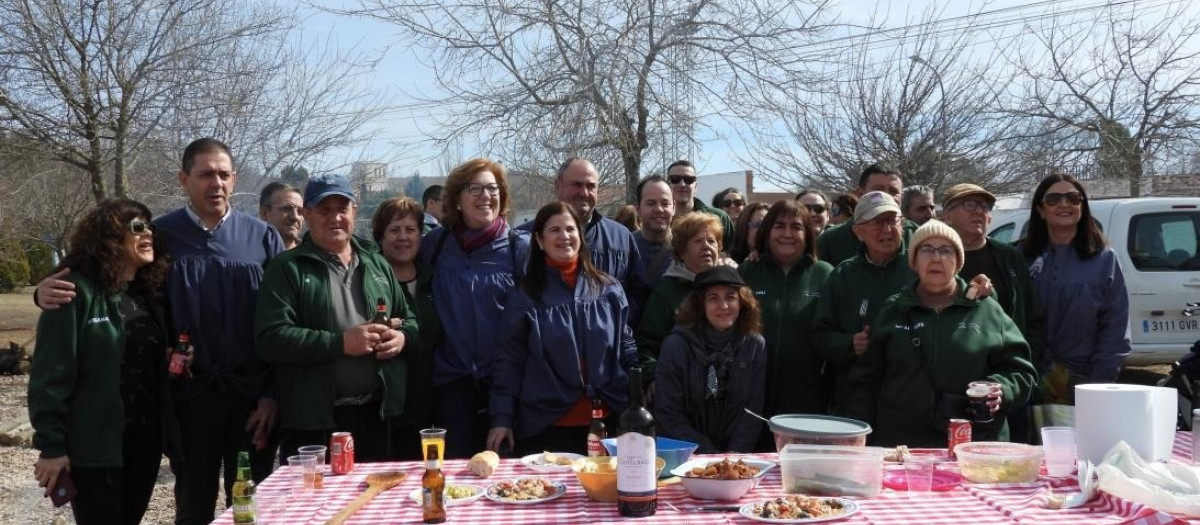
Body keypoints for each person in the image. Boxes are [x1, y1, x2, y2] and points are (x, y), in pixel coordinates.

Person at [37, 138, 284, 524]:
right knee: (193, 505)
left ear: (235, 179)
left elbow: (281, 320)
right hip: (187, 399)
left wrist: (270, 394)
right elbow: (107, 275)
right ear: (184, 179)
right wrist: (43, 291)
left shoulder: (262, 237)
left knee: (250, 505)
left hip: (250, 398)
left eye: (223, 174)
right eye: (205, 174)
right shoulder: (162, 234)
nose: (216, 183)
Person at [29, 198, 177, 525]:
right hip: (95, 445)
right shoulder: (73, 292)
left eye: (150, 227)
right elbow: (50, 375)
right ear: (110, 236)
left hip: (145, 440)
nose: (148, 233)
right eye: (137, 227)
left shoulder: (147, 295)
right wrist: (52, 446)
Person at [255, 174, 418, 462]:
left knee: (376, 491)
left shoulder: (376, 262)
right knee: (316, 493)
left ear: (354, 211)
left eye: (342, 209)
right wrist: (340, 343)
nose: (335, 218)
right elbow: (271, 338)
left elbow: (410, 321)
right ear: (306, 214)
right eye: (324, 210)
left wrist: (401, 338)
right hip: (314, 422)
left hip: (376, 417)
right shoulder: (287, 268)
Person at [842, 220, 1037, 447]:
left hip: (973, 446)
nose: (936, 258)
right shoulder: (893, 310)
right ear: (914, 261)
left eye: (945, 250)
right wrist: (860, 440)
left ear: (958, 261)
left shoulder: (986, 310)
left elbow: (1021, 371)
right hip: (901, 447)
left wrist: (1002, 389)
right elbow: (865, 380)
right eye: (927, 249)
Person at [487, 202, 638, 455]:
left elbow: (626, 348)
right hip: (547, 427)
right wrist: (502, 418)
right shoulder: (525, 298)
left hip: (607, 421)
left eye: (570, 229)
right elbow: (509, 362)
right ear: (539, 240)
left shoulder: (609, 290)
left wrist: (636, 401)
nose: (564, 236)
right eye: (554, 230)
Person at [421, 158, 532, 458]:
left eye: (493, 189)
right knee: (455, 473)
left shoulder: (519, 248)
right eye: (475, 189)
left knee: (506, 473)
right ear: (457, 198)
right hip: (452, 385)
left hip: (507, 383)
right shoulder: (436, 245)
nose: (486, 196)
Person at [941, 183, 1045, 443]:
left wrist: (1024, 366)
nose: (979, 211)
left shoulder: (1010, 258)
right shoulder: (935, 259)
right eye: (970, 205)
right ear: (947, 215)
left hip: (1004, 384)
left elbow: (1032, 318)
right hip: (951, 384)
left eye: (985, 206)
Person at [1022, 173, 1130, 404]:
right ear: (1040, 210)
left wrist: (1099, 383)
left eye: (1073, 198)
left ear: (1082, 207)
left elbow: (1115, 325)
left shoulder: (1105, 259)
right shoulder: (1021, 258)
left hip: (1083, 380)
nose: (1064, 204)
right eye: (1053, 199)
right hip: (1027, 380)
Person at [812, 192, 915, 410]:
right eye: (877, 222)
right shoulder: (843, 275)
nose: (887, 230)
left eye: (892, 220)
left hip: (909, 394)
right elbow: (821, 335)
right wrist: (850, 344)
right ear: (858, 232)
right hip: (856, 395)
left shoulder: (919, 267)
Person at [739, 200, 834, 421]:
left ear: (807, 234)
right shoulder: (747, 272)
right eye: (779, 226)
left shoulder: (825, 274)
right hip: (751, 401)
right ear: (767, 231)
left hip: (809, 403)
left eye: (796, 227)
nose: (787, 234)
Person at [655, 266, 766, 453]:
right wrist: (709, 455)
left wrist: (734, 454)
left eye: (730, 297)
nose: (723, 306)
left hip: (735, 457)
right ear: (701, 304)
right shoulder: (676, 345)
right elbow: (669, 413)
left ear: (742, 302)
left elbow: (752, 411)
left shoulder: (754, 345)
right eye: (713, 298)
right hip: (688, 453)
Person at [521, 158, 645, 311]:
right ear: (558, 186)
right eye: (577, 185)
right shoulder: (525, 238)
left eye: (591, 186)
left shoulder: (621, 237)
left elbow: (638, 294)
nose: (584, 193)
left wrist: (615, 322)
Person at [371, 197, 442, 459]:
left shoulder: (434, 277)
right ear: (380, 236)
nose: (403, 237)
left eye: (410, 229)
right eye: (394, 230)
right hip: (385, 409)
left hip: (432, 402)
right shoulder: (369, 278)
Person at [636, 213, 731, 382]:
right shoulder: (666, 290)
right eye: (698, 241)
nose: (706, 246)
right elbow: (647, 345)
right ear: (682, 250)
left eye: (711, 241)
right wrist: (653, 378)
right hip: (681, 384)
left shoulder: (732, 285)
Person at [816, 163, 916, 266]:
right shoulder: (830, 240)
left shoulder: (918, 236)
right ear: (860, 193)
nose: (885, 195)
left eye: (893, 191)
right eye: (878, 190)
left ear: (902, 197)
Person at [667, 160, 735, 250]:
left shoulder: (719, 217)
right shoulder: (658, 219)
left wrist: (725, 254)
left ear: (695, 186)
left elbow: (735, 251)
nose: (682, 184)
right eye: (675, 179)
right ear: (667, 185)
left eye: (688, 180)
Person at [633, 175, 676, 283]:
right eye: (651, 203)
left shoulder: (685, 249)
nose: (659, 209)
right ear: (638, 209)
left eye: (665, 204)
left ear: (673, 208)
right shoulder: (624, 247)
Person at [258, 182, 304, 250]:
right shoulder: (247, 251)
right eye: (287, 209)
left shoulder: (314, 254)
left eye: (300, 211)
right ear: (264, 213)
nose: (295, 217)